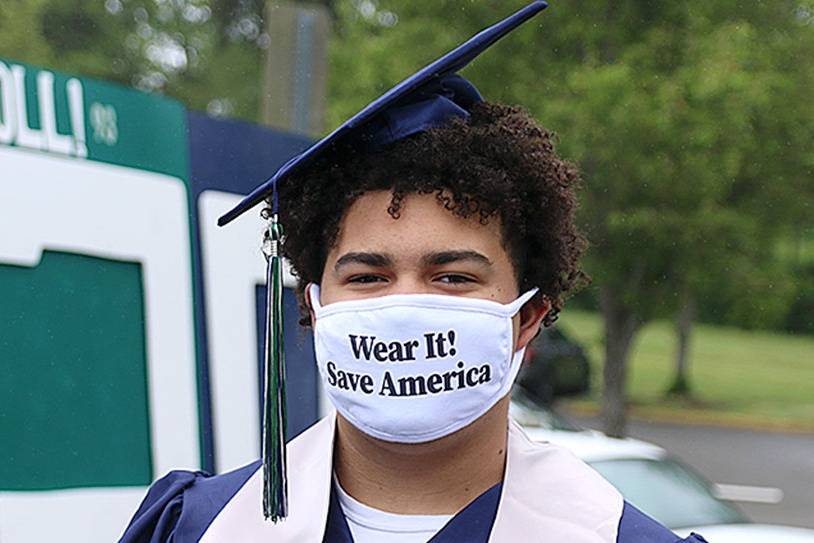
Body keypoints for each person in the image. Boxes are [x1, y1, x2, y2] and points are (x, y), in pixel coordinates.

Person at [120, 3, 707, 542]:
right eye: (367, 277)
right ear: (313, 305)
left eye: (452, 277)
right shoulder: (201, 527)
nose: (405, 304)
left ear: (528, 318)